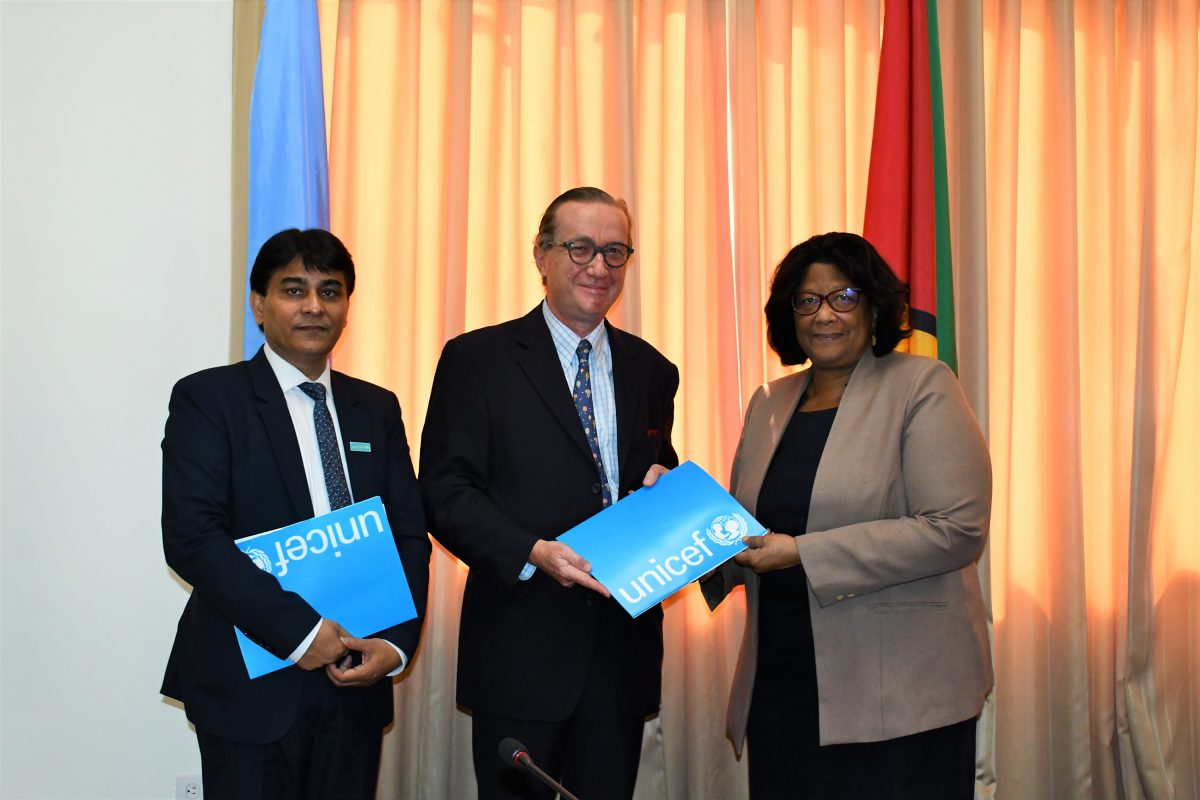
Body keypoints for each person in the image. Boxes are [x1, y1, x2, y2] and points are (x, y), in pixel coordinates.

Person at [704, 232, 993, 798]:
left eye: (843, 296)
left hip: (899, 697)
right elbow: (748, 530)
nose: (824, 314)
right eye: (807, 301)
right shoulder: (769, 401)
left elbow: (955, 530)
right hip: (784, 686)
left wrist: (802, 553)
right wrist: (679, 530)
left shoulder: (922, 385)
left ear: (874, 305)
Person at [420, 186, 679, 800]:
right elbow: (445, 491)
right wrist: (530, 551)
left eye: (615, 252)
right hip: (520, 651)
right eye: (580, 248)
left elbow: (652, 471)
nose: (599, 267)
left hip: (621, 653)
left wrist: (667, 490)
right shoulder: (476, 360)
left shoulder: (652, 369)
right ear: (541, 255)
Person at [160, 228, 431, 800]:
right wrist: (300, 633)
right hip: (248, 684)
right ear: (259, 306)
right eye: (293, 290)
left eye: (330, 291)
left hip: (357, 676)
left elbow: (407, 533)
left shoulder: (375, 407)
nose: (314, 306)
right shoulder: (209, 400)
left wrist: (396, 645)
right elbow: (193, 538)